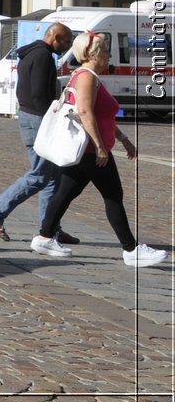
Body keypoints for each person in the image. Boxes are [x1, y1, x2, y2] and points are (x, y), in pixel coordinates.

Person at [32, 31, 167, 267]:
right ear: (94, 53)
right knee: (113, 195)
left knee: (66, 193)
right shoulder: (86, 77)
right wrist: (100, 146)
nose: (109, 55)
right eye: (106, 50)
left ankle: (44, 238)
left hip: (87, 149)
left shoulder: (87, 75)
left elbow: (102, 115)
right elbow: (85, 113)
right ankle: (131, 249)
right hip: (91, 150)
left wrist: (123, 138)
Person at [0, 22, 77, 244]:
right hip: (37, 119)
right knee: (40, 175)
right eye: (66, 41)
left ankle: (50, 228)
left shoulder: (31, 53)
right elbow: (38, 93)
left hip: (29, 116)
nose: (67, 46)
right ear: (56, 37)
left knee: (53, 177)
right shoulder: (43, 56)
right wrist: (51, 120)